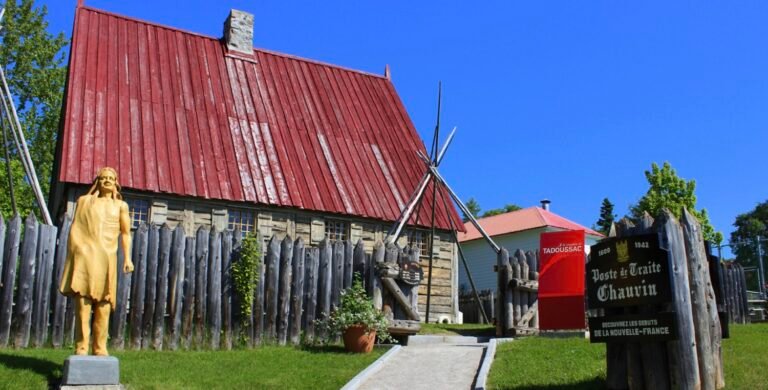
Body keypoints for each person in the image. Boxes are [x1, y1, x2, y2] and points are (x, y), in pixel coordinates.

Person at [59, 167, 134, 356]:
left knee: (104, 305)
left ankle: (100, 347)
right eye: (103, 178)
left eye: (111, 178)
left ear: (116, 183)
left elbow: (125, 233)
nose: (107, 180)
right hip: (85, 257)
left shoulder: (121, 206)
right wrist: (79, 251)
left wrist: (127, 258)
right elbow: (75, 230)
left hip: (107, 258)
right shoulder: (84, 202)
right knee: (82, 304)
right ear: (97, 182)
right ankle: (81, 346)